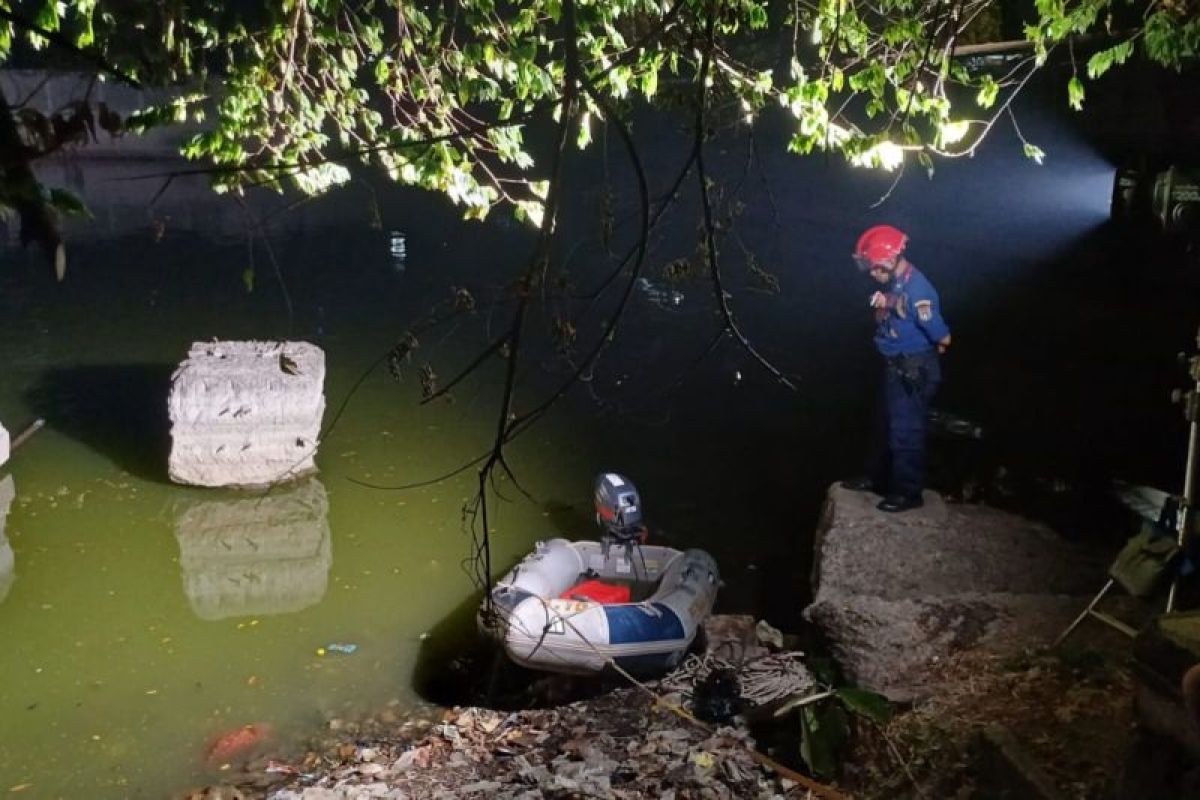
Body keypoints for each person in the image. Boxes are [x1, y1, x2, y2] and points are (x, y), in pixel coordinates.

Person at [842, 224, 951, 512]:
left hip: (911, 369)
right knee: (883, 425)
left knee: (906, 431)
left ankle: (908, 492)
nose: (872, 274)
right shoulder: (898, 281)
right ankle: (873, 477)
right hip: (895, 367)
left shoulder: (919, 289)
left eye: (876, 268)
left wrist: (937, 346)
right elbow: (898, 306)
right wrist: (886, 304)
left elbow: (942, 334)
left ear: (891, 261)